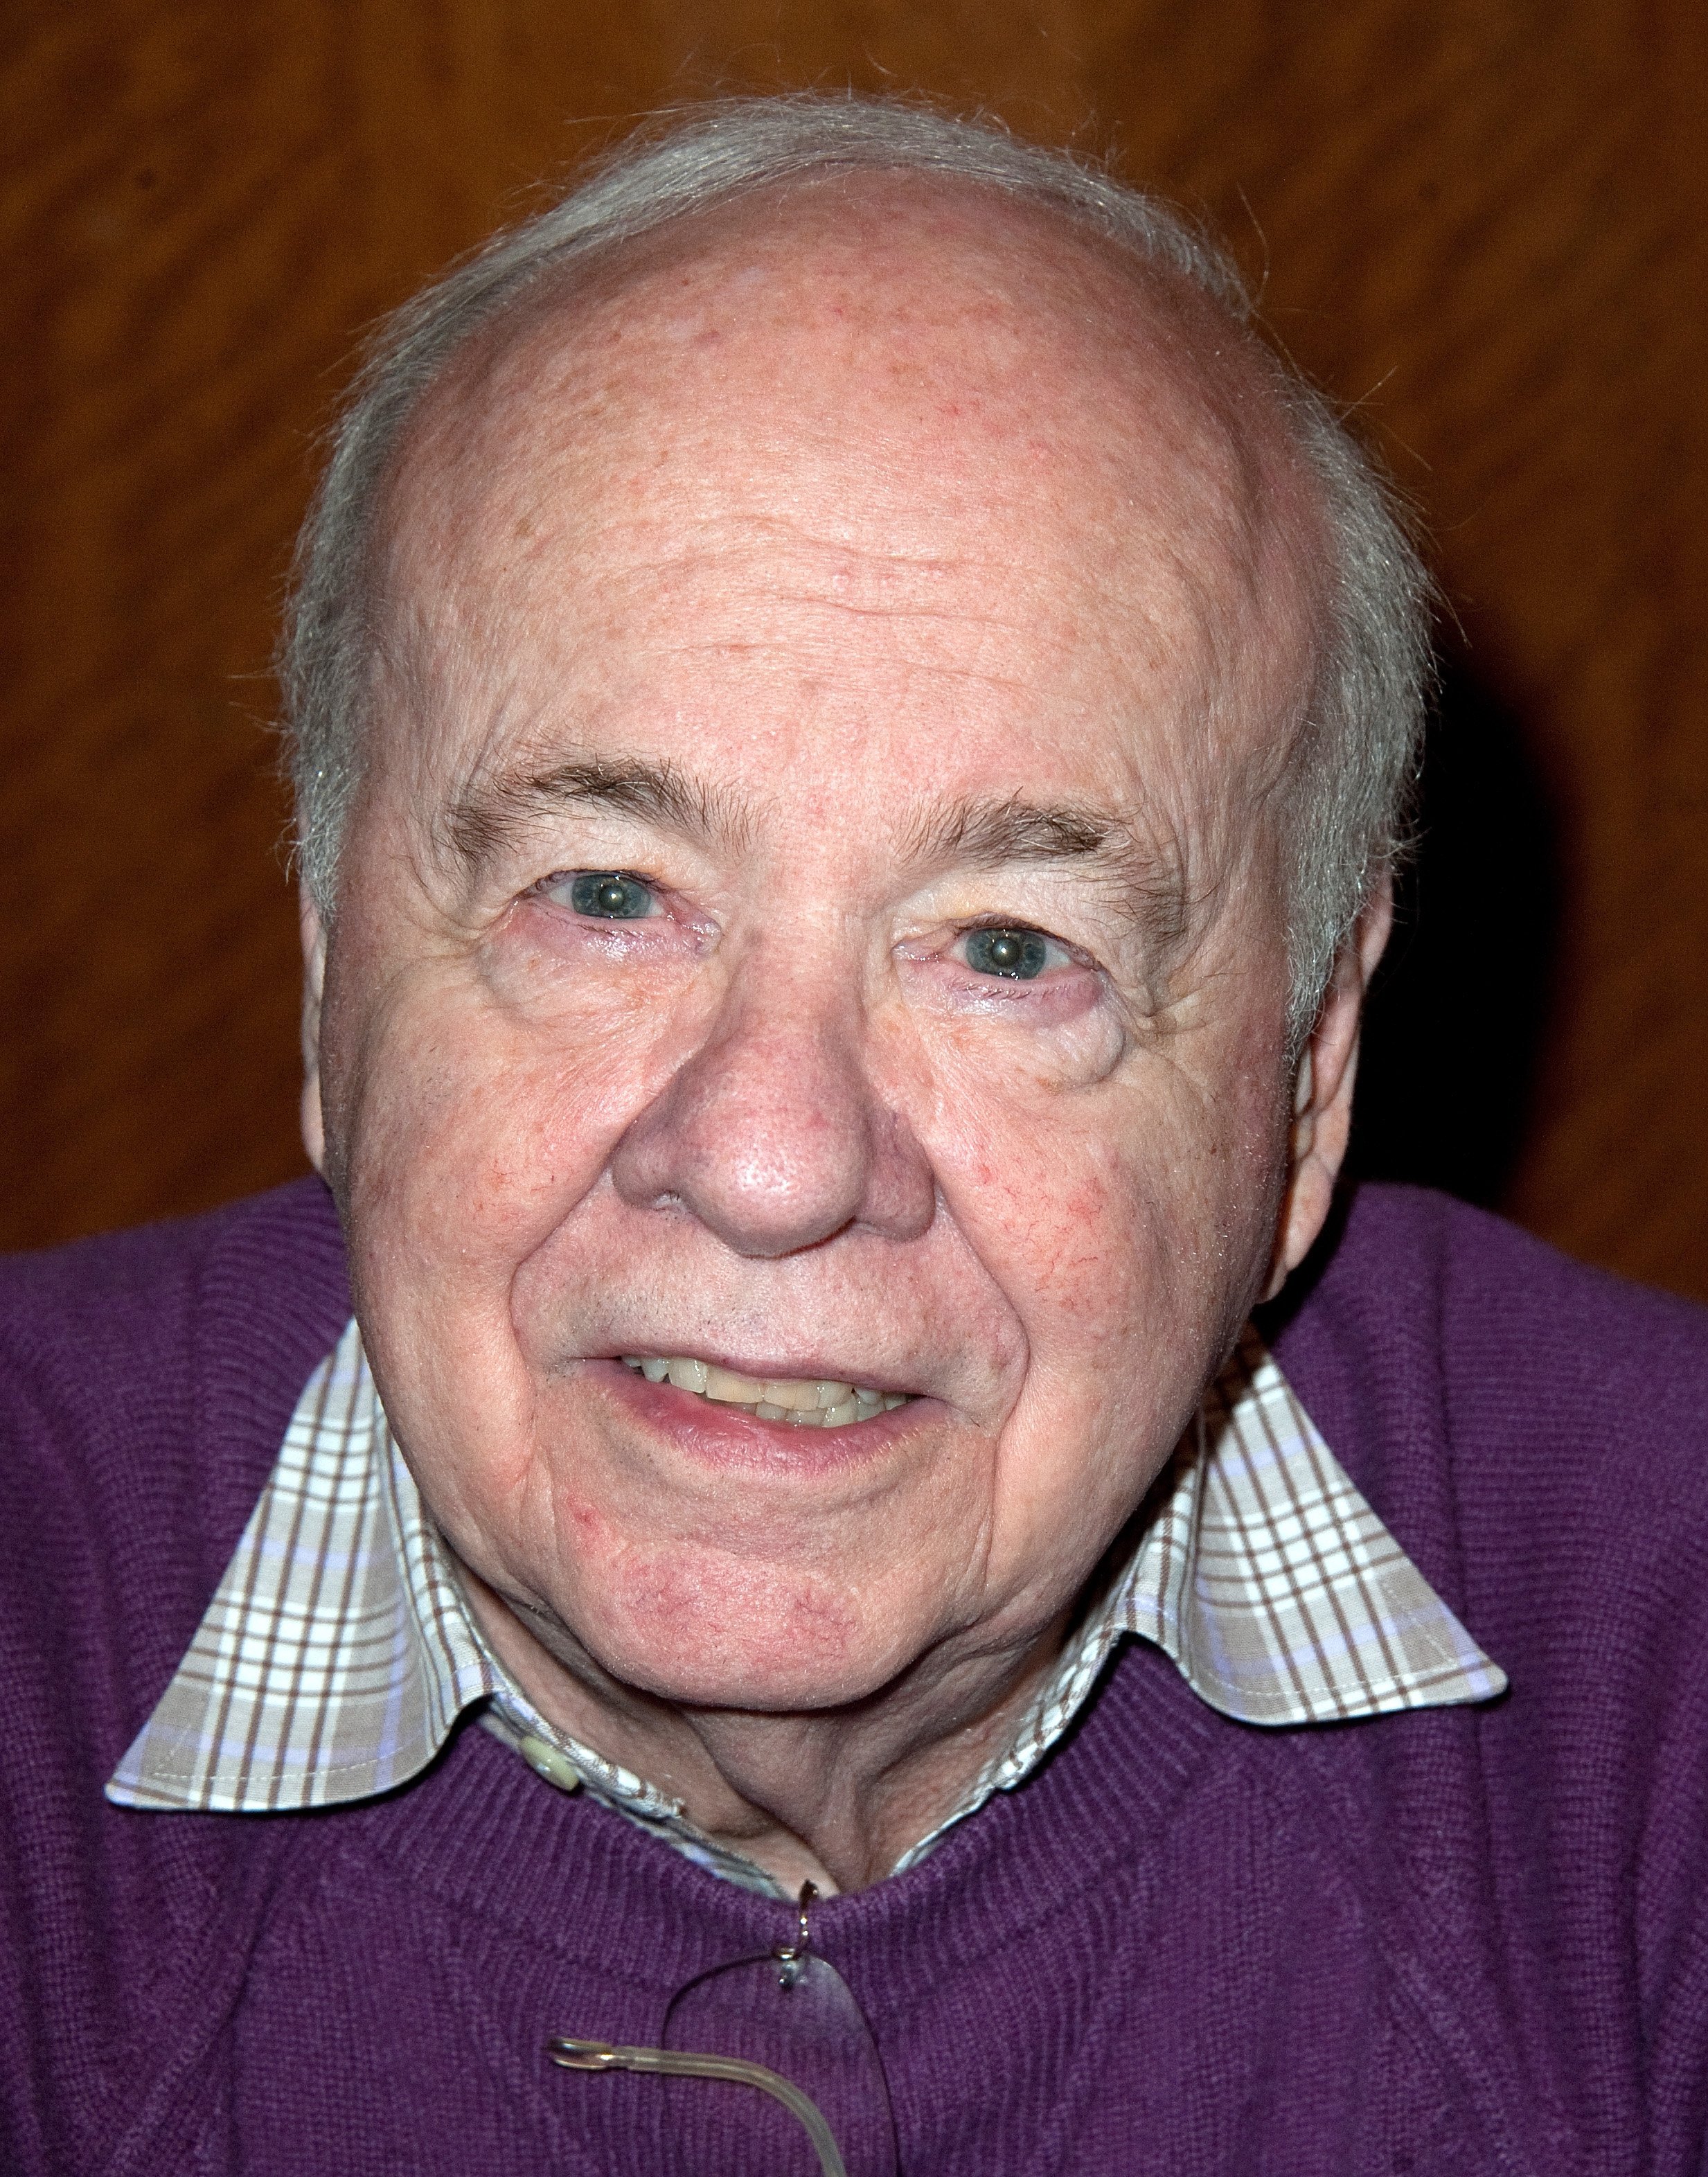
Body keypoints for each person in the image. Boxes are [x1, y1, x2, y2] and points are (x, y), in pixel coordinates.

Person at [3, 94, 1707, 2177]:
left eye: (1008, 945)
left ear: (1304, 1075)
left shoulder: (1665, 1662)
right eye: (605, 895)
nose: (773, 1160)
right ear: (328, 971)